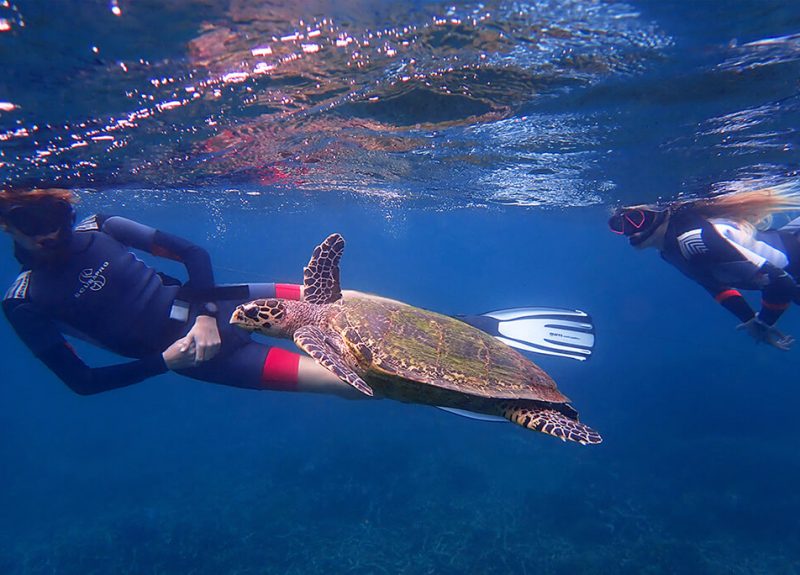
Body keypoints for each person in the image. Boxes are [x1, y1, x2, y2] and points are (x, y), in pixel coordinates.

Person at [0, 187, 362, 397]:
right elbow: (82, 381)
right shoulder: (23, 301)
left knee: (345, 302)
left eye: (56, 215)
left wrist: (205, 317)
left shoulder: (101, 227)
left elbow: (193, 253)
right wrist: (165, 363)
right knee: (346, 385)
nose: (49, 231)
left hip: (223, 302)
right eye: (29, 221)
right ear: (6, 224)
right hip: (202, 357)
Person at [608, 185, 800, 351]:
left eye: (636, 219)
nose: (630, 232)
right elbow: (713, 284)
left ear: (662, 213)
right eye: (620, 225)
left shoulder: (693, 239)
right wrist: (750, 319)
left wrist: (763, 322)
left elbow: (778, 281)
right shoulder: (669, 250)